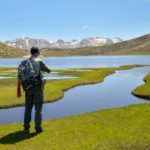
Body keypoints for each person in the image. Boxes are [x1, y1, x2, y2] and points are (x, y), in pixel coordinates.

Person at [23, 46, 51, 133]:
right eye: (38, 53)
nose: (39, 54)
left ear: (31, 52)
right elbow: (49, 70)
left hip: (27, 88)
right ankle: (38, 128)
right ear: (36, 53)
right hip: (38, 88)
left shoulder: (24, 62)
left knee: (28, 108)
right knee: (38, 109)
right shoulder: (39, 61)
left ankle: (26, 128)